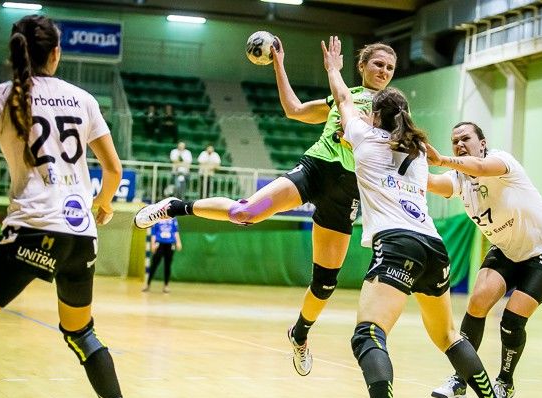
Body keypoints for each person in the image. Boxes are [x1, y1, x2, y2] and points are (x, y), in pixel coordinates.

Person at [134, 38, 398, 378]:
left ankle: (299, 333)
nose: (384, 71)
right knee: (244, 212)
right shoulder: (342, 95)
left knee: (325, 284)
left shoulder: (393, 107)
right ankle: (175, 207)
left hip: (347, 191)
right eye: (378, 64)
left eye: (390, 67)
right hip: (316, 169)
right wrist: (279, 64)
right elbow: (294, 110)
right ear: (361, 66)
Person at [0, 15, 143, 398]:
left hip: (32, 228)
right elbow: (113, 170)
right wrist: (102, 205)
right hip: (80, 235)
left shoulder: (2, 96)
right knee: (81, 331)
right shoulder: (83, 98)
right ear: (56, 53)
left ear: (14, 51)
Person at [320, 36, 507, 398]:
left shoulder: (364, 138)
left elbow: (344, 99)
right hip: (434, 248)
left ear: (375, 116)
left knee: (368, 333)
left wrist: (334, 68)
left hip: (396, 245)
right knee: (448, 335)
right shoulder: (419, 152)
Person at [426, 122, 542, 398]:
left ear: (482, 143)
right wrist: (398, 164)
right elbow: (432, 183)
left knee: (512, 320)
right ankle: (461, 378)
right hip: (507, 249)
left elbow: (480, 168)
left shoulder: (501, 161)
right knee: (477, 302)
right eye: (454, 141)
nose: (459, 144)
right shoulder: (460, 179)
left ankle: (505, 382)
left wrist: (441, 159)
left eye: (466, 138)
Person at [143, 218, 182, 293]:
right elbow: (154, 232)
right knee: (154, 265)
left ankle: (166, 286)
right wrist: (152, 244)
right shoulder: (157, 217)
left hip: (170, 244)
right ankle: (147, 285)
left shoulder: (173, 219)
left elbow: (175, 231)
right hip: (159, 244)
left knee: (167, 266)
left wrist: (178, 242)